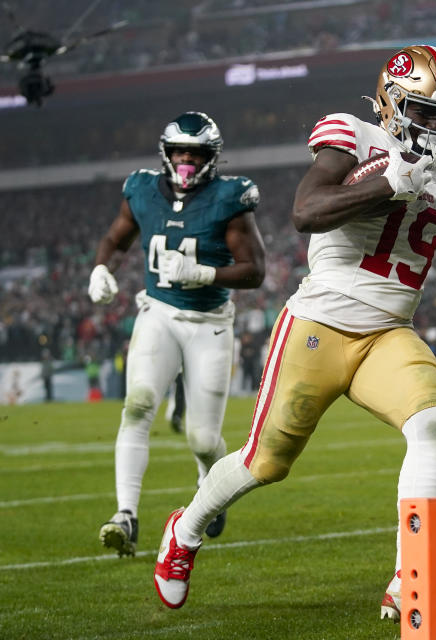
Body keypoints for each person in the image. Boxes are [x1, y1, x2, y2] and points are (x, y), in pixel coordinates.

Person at [151, 45, 436, 615]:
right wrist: (387, 183)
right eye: (425, 111)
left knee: (434, 418)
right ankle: (185, 531)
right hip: (321, 320)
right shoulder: (357, 136)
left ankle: (411, 576)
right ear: (392, 103)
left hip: (389, 331)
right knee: (266, 461)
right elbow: (306, 211)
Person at [88, 111, 266, 557]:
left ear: (212, 157)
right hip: (158, 314)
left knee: (203, 439)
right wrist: (100, 269)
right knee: (138, 405)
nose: (187, 160)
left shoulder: (230, 197)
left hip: (209, 324)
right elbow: (115, 239)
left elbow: (255, 272)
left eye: (197, 152)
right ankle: (125, 515)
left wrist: (203, 272)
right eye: (180, 151)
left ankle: (210, 482)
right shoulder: (142, 189)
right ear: (166, 154)